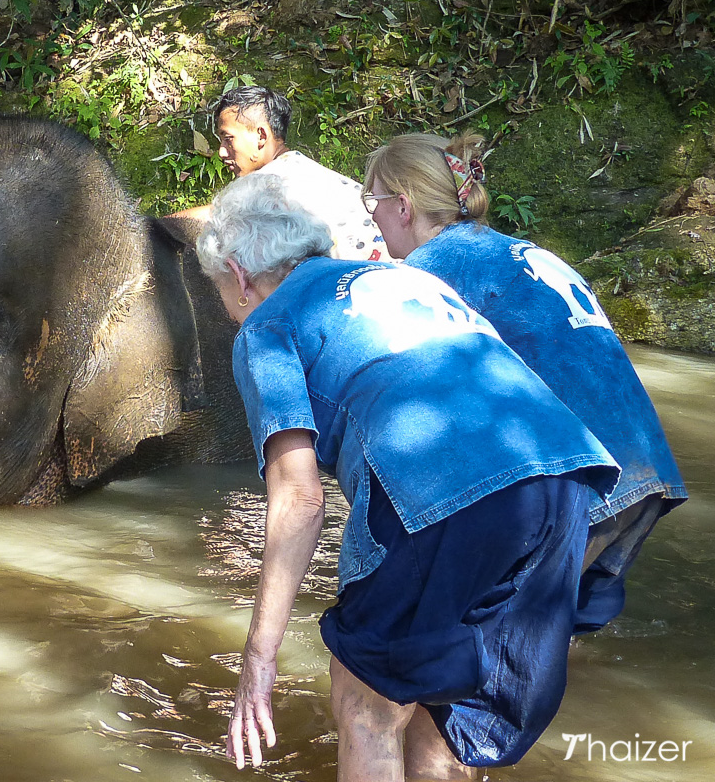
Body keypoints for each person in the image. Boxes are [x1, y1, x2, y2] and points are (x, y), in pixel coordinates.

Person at [196, 176, 618, 779]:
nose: (230, 308)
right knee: (449, 718)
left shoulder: (268, 326)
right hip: (566, 484)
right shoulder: (409, 277)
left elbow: (299, 498)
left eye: (221, 293)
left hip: (442, 493)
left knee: (367, 712)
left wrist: (258, 663)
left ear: (238, 275)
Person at [361, 131, 687, 633]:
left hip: (585, 476)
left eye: (374, 201)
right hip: (646, 469)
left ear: (403, 206)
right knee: (547, 649)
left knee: (477, 652)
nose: (373, 217)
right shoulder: (514, 251)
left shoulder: (432, 267)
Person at [175, 85, 392, 261]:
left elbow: (213, 218)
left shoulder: (272, 181)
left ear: (261, 136)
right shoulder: (305, 171)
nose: (221, 152)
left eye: (228, 139)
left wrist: (150, 229)